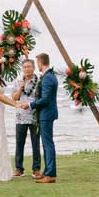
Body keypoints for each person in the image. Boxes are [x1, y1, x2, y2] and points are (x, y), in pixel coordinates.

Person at [30, 54, 61, 182]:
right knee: (47, 144)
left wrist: (30, 104)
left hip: (46, 114)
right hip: (47, 114)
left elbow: (46, 99)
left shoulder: (48, 77)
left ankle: (50, 174)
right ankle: (47, 171)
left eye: (37, 62)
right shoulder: (50, 76)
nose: (37, 65)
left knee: (48, 144)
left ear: (41, 62)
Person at [11, 57, 40, 177]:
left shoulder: (39, 81)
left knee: (35, 144)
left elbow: (41, 98)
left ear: (33, 68)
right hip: (20, 116)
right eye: (24, 67)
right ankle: (19, 169)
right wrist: (20, 88)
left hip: (35, 116)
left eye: (29, 67)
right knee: (19, 143)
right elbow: (14, 98)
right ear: (22, 69)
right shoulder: (17, 81)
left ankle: (36, 169)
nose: (27, 69)